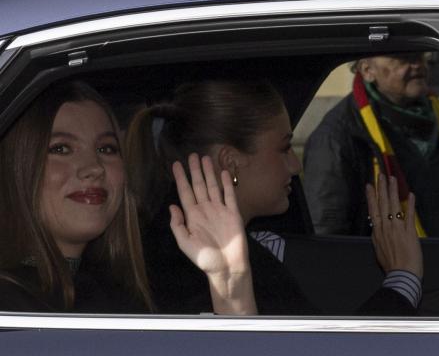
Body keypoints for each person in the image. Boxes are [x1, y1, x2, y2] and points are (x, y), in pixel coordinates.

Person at [126, 79, 422, 316]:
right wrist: (403, 278)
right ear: (231, 162)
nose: (295, 165)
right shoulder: (201, 262)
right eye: (284, 148)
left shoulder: (172, 244)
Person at [0, 80, 255, 314]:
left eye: (106, 148)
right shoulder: (10, 307)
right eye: (61, 148)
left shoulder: (123, 294)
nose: (94, 167)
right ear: (16, 166)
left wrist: (230, 281)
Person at [304, 53, 439, 237]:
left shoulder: (436, 114)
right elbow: (327, 230)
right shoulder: (335, 136)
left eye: (419, 55)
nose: (417, 65)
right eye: (403, 57)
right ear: (367, 70)